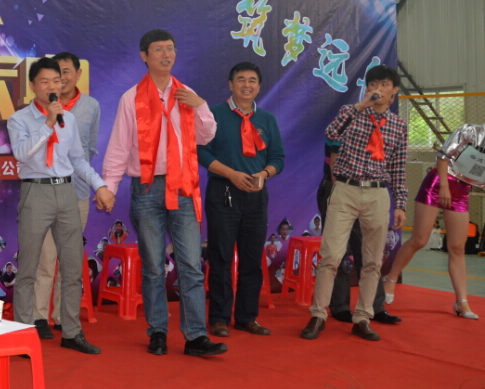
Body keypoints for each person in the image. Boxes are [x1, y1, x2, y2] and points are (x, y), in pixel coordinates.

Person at [101, 30, 224, 358]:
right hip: (146, 188)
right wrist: (109, 188)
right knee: (154, 266)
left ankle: (196, 336)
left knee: (191, 264)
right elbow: (119, 147)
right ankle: (157, 331)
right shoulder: (131, 98)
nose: (166, 55)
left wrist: (201, 106)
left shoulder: (187, 93)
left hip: (183, 187)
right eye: (159, 50)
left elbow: (206, 136)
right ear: (145, 56)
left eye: (170, 49)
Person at [384, 104, 485, 320]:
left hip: (462, 191)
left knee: (457, 248)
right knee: (420, 239)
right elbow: (443, 157)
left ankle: (461, 301)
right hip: (438, 183)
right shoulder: (470, 130)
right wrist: (443, 186)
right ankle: (390, 278)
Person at [8, 57, 111, 355]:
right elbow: (22, 154)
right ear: (32, 85)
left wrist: (100, 185)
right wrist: (48, 124)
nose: (52, 86)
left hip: (67, 192)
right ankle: (22, 334)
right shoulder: (19, 119)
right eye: (45, 81)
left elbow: (78, 159)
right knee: (29, 267)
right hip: (35, 192)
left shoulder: (70, 119)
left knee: (72, 266)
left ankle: (71, 332)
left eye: (57, 81)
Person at [302, 64, 408, 342]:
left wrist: (400, 203)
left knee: (372, 261)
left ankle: (363, 317)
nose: (378, 89)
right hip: (346, 189)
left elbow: (398, 168)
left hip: (377, 194)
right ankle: (318, 315)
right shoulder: (351, 113)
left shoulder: (399, 126)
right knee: (331, 256)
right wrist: (361, 105)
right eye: (373, 84)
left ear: (394, 91)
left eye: (384, 85)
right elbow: (331, 134)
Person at [196, 62, 285, 338]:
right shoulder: (214, 114)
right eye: (241, 80)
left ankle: (247, 316)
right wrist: (231, 174)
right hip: (223, 192)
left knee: (251, 259)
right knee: (221, 257)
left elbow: (278, 158)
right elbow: (201, 152)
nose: (247, 85)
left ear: (259, 86)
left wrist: (265, 174)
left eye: (253, 80)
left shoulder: (267, 119)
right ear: (231, 84)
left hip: (256, 196)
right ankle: (219, 318)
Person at [32, 52, 100, 339]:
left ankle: (62, 316)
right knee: (46, 257)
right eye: (53, 75)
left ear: (77, 74)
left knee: (68, 259)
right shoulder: (37, 110)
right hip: (45, 193)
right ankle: (38, 316)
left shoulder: (90, 107)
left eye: (65, 73)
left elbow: (88, 149)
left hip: (78, 193)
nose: (60, 80)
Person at [316, 141, 396, 326]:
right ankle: (340, 307)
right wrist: (339, 198)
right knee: (338, 252)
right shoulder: (345, 128)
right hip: (340, 189)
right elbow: (334, 163)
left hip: (369, 192)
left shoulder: (383, 130)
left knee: (370, 253)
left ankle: (376, 307)